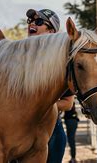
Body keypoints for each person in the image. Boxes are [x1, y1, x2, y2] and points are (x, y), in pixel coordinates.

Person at [25, 8, 73, 163]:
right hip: (18, 127)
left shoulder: (60, 63)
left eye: (38, 22)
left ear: (51, 31)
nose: (32, 24)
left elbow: (68, 103)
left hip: (51, 130)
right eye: (30, 21)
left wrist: (38, 106)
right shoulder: (18, 57)